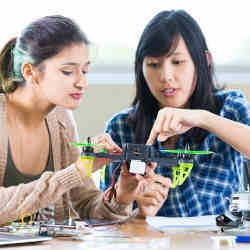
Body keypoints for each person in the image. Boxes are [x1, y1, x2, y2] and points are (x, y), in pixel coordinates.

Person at [0, 15, 172, 225]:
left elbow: (87, 207)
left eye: (85, 71)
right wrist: (78, 171)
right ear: (30, 72)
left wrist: (122, 196)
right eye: (67, 71)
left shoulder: (61, 119)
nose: (82, 83)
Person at [101, 10, 250, 217]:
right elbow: (106, 222)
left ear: (204, 60)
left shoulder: (230, 108)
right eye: (153, 64)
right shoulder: (121, 128)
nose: (165, 76)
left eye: (177, 62)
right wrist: (140, 214)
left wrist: (203, 118)